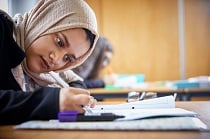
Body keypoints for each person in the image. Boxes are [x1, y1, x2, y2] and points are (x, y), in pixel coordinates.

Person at [0, 0, 99, 125]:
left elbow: (73, 80)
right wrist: (51, 101)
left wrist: (73, 98)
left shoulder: (46, 75)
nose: (56, 59)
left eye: (68, 58)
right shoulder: (2, 31)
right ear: (44, 21)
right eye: (59, 42)